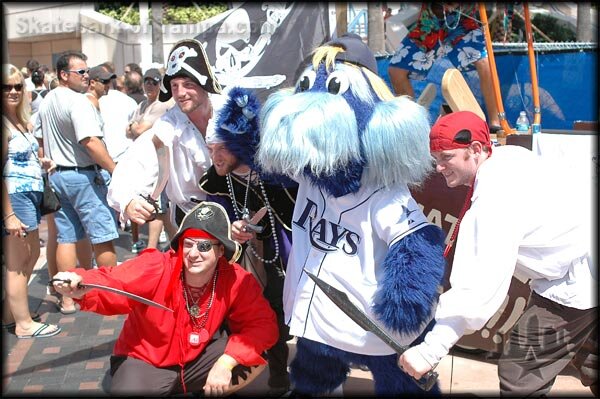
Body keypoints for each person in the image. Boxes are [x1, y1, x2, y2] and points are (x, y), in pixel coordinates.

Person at [256, 33, 446, 396]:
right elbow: (266, 163)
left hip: (373, 322)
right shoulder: (310, 174)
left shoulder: (383, 191)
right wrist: (240, 127)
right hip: (318, 315)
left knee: (403, 382)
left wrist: (404, 304)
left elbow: (418, 243)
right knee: (313, 376)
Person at [398, 111, 597, 396]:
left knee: (521, 372)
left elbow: (477, 290)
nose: (439, 168)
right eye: (436, 159)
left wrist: (430, 351)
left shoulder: (493, 201)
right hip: (582, 265)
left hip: (577, 278)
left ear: (475, 149)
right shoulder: (508, 156)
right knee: (590, 357)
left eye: (447, 157)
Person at [51, 201, 278, 396]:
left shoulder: (236, 279)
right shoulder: (157, 266)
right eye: (187, 244)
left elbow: (262, 325)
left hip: (200, 359)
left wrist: (227, 362)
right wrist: (79, 282)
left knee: (256, 362)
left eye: (204, 246)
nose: (193, 253)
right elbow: (113, 281)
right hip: (147, 361)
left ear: (221, 252)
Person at [199, 87, 297, 395]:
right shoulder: (216, 177)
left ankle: (280, 376)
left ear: (239, 146)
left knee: (277, 313)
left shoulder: (273, 175)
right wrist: (230, 229)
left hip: (279, 257)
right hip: (238, 262)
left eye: (221, 150)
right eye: (210, 149)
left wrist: (262, 230)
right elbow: (213, 218)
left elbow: (290, 218)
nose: (215, 157)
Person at [34, 51, 119, 315]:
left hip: (58, 175)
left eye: (87, 71)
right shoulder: (78, 101)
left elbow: (39, 138)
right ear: (63, 75)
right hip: (82, 175)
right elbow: (90, 141)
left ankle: (67, 299)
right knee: (103, 236)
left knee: (67, 238)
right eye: (81, 72)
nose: (87, 76)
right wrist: (115, 169)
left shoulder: (47, 100)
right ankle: (112, 292)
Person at [108, 39, 224, 230]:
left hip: (239, 219)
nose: (180, 93)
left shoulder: (230, 113)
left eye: (188, 84)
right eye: (175, 85)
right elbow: (137, 161)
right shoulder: (168, 125)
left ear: (204, 84)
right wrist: (128, 200)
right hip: (192, 220)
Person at [2, 63, 60, 338]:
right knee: (18, 261)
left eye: (17, 86)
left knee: (31, 255)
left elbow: (17, 159)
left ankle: (11, 313)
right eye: (6, 87)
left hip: (29, 193)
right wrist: (9, 215)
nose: (13, 91)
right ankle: (23, 324)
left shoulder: (19, 120)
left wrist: (39, 162)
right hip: (15, 197)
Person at [387, 3, 501, 129]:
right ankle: (413, 124)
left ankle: (495, 122)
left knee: (484, 63)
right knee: (396, 71)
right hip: (430, 22)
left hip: (463, 23)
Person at [125, 67, 176, 251]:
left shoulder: (161, 104)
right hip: (145, 163)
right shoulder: (143, 106)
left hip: (159, 162)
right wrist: (133, 127)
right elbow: (128, 132)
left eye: (154, 81)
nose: (149, 85)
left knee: (158, 206)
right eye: (146, 81)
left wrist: (133, 126)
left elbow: (136, 131)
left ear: (160, 84)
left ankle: (151, 248)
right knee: (158, 206)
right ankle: (176, 246)